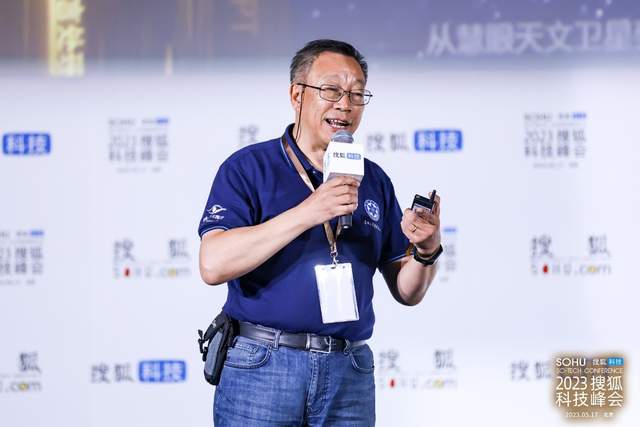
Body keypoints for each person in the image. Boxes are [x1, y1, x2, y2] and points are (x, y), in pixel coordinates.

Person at [198, 39, 442, 426]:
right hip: (263, 365)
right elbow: (213, 264)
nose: (345, 105)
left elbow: (407, 291)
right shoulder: (249, 167)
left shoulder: (373, 179)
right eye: (331, 90)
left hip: (348, 371)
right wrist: (309, 212)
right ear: (297, 94)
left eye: (357, 94)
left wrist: (427, 249)